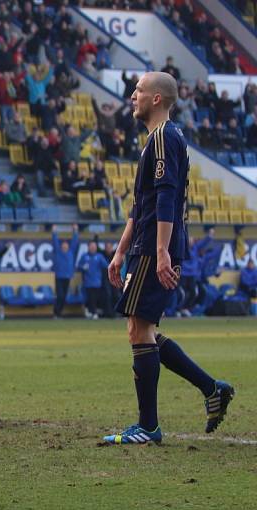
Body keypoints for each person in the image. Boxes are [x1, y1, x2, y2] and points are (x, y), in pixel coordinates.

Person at [105, 72, 234, 445]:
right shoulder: (156, 140)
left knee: (138, 329)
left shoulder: (163, 137)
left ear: (157, 99)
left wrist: (160, 251)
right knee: (143, 328)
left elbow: (166, 196)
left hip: (155, 245)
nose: (133, 95)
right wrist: (120, 249)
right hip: (146, 243)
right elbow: (139, 204)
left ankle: (148, 427)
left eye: (140, 90)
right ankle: (213, 389)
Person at [52, 224, 79, 318]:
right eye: (63, 245)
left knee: (63, 297)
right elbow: (55, 241)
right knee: (60, 295)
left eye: (66, 245)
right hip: (59, 277)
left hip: (67, 277)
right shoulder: (57, 252)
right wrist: (54, 231)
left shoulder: (71, 252)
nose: (64, 246)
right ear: (61, 246)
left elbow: (75, 242)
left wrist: (75, 231)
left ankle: (58, 313)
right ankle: (56, 312)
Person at [78, 241, 109, 320]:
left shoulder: (99, 256)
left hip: (97, 282)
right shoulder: (84, 256)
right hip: (87, 282)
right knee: (89, 298)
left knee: (95, 298)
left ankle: (93, 312)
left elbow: (106, 265)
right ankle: (92, 312)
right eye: (91, 246)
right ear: (88, 247)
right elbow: (78, 266)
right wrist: (83, 267)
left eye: (94, 246)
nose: (93, 248)